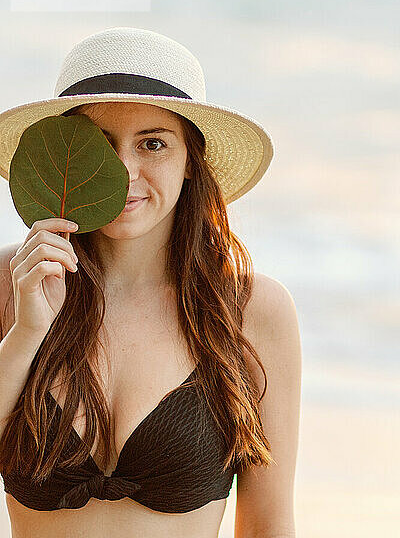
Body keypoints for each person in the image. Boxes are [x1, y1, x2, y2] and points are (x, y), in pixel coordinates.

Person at [0, 27, 301, 538]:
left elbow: (267, 527)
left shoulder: (251, 309)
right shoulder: (13, 283)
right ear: (66, 159)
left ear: (190, 161)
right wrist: (27, 332)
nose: (124, 170)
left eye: (153, 144)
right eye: (99, 145)